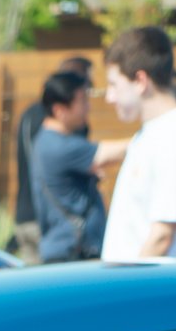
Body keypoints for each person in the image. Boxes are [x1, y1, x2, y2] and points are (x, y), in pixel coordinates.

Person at [32, 69, 130, 263]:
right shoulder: (57, 146)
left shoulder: (48, 141)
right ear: (60, 110)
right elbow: (111, 153)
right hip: (72, 254)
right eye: (82, 102)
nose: (88, 108)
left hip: (70, 250)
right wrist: (157, 132)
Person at [103, 25, 176, 264]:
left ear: (140, 80)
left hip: (145, 293)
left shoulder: (173, 135)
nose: (109, 97)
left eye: (114, 85)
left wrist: (125, 294)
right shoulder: (150, 135)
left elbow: (162, 235)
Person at [13, 55, 92, 260]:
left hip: (25, 213)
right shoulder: (63, 124)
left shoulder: (29, 113)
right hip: (50, 221)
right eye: (86, 86)